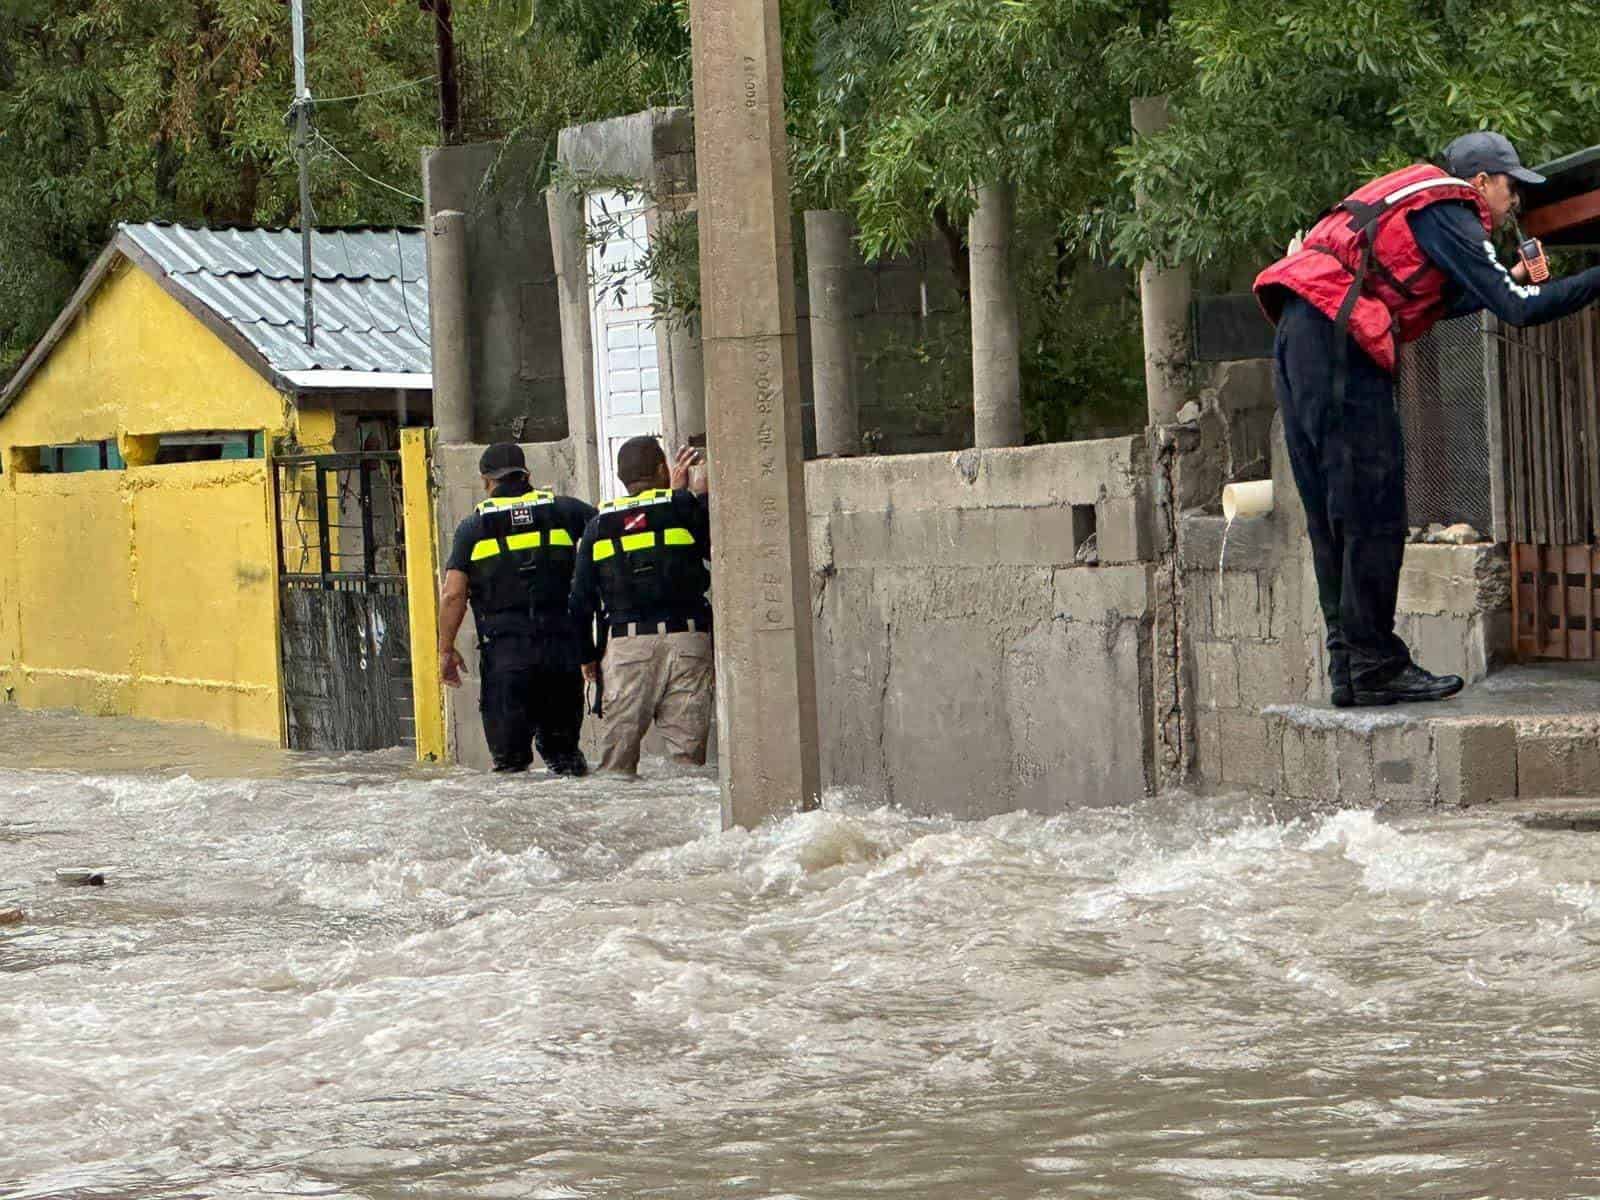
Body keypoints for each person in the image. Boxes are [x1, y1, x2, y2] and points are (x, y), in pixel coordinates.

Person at [1255, 130, 1600, 708]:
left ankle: (1353, 667)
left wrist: (1506, 275)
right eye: (1512, 187)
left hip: (1303, 336)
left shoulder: (1426, 214)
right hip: (1337, 345)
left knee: (1333, 515)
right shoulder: (1450, 209)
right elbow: (1518, 312)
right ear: (1481, 182)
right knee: (1373, 508)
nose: (1516, 202)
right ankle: (1374, 666)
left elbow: (1447, 298)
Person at [438, 443, 597, 775]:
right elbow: (610, 528)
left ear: (486, 482)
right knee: (565, 760)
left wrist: (445, 650)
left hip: (506, 660)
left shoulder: (473, 528)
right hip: (560, 654)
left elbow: (453, 595)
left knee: (511, 768)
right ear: (527, 475)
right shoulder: (564, 510)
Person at [569, 437, 713, 775]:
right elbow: (716, 545)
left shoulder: (599, 526)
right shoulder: (682, 507)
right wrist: (697, 496)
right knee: (687, 767)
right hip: (687, 642)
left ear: (622, 479)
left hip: (626, 649)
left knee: (615, 768)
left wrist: (587, 656)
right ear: (663, 469)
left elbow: (580, 602)